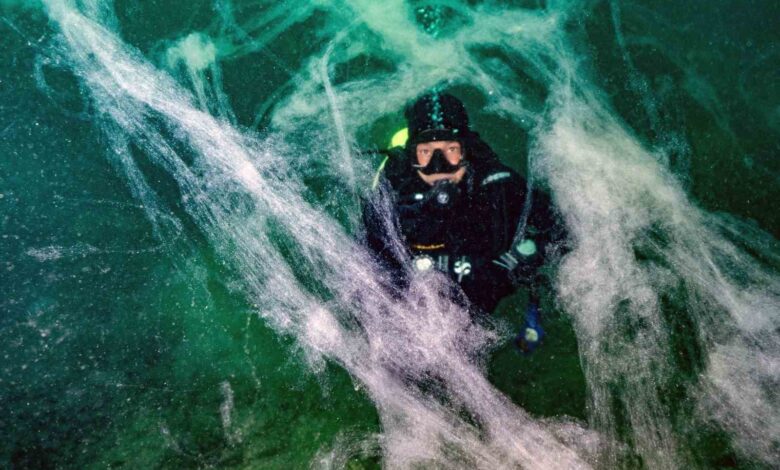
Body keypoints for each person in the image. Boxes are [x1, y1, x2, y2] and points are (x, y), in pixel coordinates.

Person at [362, 92, 563, 352]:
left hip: (487, 295)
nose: (439, 166)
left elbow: (559, 225)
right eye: (426, 153)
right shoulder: (394, 193)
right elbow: (364, 259)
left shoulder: (496, 184)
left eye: (450, 150)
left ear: (465, 150)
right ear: (412, 156)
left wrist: (516, 259)